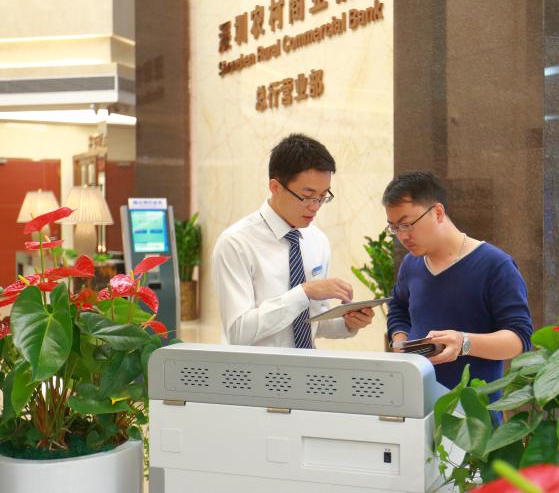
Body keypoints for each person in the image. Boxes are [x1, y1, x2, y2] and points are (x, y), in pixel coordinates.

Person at [212, 133, 374, 348]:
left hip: (307, 366)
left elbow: (313, 322)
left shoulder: (317, 240)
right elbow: (238, 332)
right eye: (307, 196)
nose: (315, 206)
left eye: (323, 196)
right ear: (275, 187)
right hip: (255, 368)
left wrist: (348, 324)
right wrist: (303, 293)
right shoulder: (236, 243)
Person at [384, 171, 533, 397]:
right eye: (394, 228)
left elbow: (519, 339)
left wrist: (464, 342)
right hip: (415, 400)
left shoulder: (495, 265)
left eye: (407, 224)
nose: (402, 236)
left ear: (438, 212)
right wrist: (400, 340)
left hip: (474, 408)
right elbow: (398, 307)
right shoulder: (411, 264)